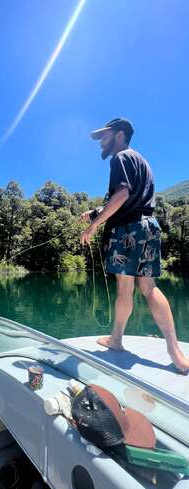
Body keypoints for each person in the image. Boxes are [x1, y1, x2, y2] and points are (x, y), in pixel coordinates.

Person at [80, 117, 189, 373]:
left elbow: (122, 195)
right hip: (148, 227)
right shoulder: (141, 161)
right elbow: (134, 199)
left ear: (119, 135)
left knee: (125, 287)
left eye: (104, 137)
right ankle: (176, 353)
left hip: (127, 230)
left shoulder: (120, 158)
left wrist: (94, 226)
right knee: (149, 288)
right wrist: (96, 212)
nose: (100, 143)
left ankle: (116, 340)